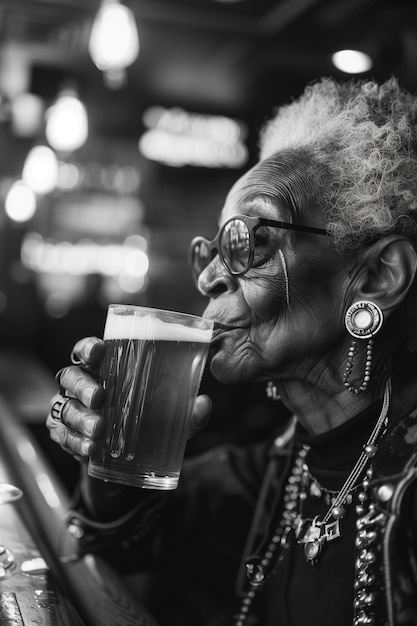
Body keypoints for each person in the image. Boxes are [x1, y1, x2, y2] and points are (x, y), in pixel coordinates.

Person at [46, 76, 417, 626]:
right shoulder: (282, 467)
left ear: (376, 276)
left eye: (248, 242)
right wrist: (104, 459)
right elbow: (124, 541)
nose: (211, 278)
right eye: (213, 249)